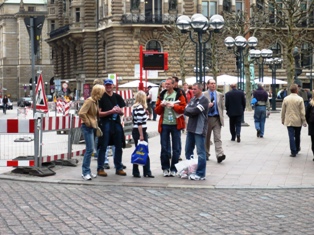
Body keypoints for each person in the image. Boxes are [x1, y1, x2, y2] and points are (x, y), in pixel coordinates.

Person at [155, 77, 186, 177]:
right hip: (164, 124)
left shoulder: (179, 94)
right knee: (164, 148)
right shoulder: (162, 95)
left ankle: (174, 168)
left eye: (168, 84)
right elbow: (157, 110)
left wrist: (173, 106)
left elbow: (183, 108)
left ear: (173, 85)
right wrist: (161, 106)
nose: (166, 85)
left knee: (176, 148)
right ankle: (165, 168)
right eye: (165, 84)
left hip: (176, 125)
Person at [98, 79, 127, 176]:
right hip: (106, 123)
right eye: (107, 85)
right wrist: (111, 112)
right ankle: (100, 168)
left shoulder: (117, 97)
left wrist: (119, 112)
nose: (108, 87)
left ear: (113, 85)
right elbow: (99, 113)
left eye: (110, 85)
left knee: (119, 146)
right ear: (104, 86)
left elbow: (123, 112)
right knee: (103, 146)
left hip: (116, 123)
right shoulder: (101, 97)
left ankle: (118, 167)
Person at [78, 84, 105, 180]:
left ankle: (87, 171)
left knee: (90, 149)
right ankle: (85, 172)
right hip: (87, 127)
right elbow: (81, 112)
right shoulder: (90, 101)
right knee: (89, 149)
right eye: (102, 92)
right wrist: (88, 122)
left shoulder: (95, 101)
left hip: (92, 126)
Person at [184, 83, 209, 180]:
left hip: (199, 129)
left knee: (201, 153)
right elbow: (186, 111)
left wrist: (189, 109)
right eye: (192, 89)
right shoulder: (193, 99)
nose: (193, 91)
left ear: (200, 90)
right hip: (190, 128)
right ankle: (191, 170)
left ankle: (201, 174)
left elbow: (194, 111)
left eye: (194, 89)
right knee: (188, 151)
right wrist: (189, 109)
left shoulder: (204, 100)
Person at [131, 90, 154, 178]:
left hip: (136, 131)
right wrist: (141, 135)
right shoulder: (140, 107)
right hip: (140, 131)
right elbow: (140, 123)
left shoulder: (135, 107)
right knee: (144, 151)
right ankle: (147, 171)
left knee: (139, 151)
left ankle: (136, 171)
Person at [281, 84, 307, 157]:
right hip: (297, 120)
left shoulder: (286, 99)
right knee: (298, 135)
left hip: (289, 120)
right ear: (296, 90)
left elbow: (283, 111)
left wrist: (282, 119)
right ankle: (297, 147)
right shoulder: (300, 99)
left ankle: (293, 151)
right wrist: (304, 120)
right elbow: (302, 111)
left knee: (291, 136)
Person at [204, 79, 226, 163]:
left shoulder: (219, 95)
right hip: (207, 118)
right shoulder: (204, 95)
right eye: (211, 83)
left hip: (217, 118)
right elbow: (201, 105)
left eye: (214, 83)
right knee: (207, 138)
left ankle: (220, 154)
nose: (213, 85)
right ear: (208, 85)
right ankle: (206, 153)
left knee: (217, 138)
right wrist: (207, 106)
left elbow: (221, 107)